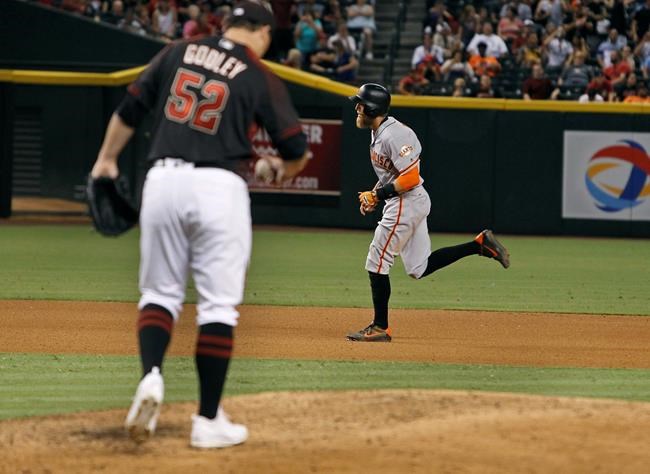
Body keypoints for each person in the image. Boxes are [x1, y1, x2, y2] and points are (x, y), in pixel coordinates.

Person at [90, 0, 311, 447]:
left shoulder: (177, 51)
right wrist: (276, 168)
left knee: (159, 293)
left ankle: (151, 377)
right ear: (264, 34)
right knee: (217, 307)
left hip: (162, 180)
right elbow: (296, 151)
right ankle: (208, 421)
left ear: (226, 23)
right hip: (217, 186)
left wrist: (105, 163)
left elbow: (129, 111)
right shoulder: (257, 73)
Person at [346, 83, 509, 342]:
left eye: (361, 104)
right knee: (418, 268)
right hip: (406, 201)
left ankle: (380, 327)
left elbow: (410, 177)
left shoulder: (395, 134)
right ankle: (479, 245)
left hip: (407, 201)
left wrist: (378, 195)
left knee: (377, 259)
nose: (357, 108)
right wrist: (376, 193)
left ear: (373, 108)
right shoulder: (378, 133)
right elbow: (393, 174)